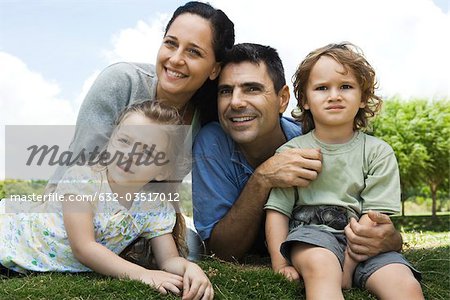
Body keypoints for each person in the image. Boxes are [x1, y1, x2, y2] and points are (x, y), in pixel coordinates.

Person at [44, 1, 234, 264]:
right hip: (81, 209)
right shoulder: (122, 82)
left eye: (194, 52)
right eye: (170, 43)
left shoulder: (206, 119)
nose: (176, 59)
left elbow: (165, 193)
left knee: (191, 248)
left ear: (214, 68)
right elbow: (81, 167)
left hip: (140, 218)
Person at [192, 43, 403, 263]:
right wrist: (262, 178)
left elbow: (357, 206)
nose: (235, 102)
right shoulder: (212, 144)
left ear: (283, 99)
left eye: (252, 88)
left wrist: (391, 240)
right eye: (226, 91)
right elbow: (220, 253)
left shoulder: (309, 140)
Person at [1, 101, 214, 299]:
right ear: (110, 141)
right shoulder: (84, 179)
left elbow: (168, 260)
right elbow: (84, 246)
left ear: (163, 170)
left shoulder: (154, 206)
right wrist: (142, 274)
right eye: (124, 141)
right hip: (11, 242)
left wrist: (190, 268)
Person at [265, 42, 423, 299]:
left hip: (367, 244)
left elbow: (373, 219)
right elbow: (278, 211)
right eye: (322, 88)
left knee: (403, 283)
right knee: (322, 266)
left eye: (346, 87)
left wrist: (348, 266)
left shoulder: (378, 152)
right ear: (304, 100)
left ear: (362, 97)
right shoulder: (291, 153)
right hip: (313, 236)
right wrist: (280, 263)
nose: (334, 95)